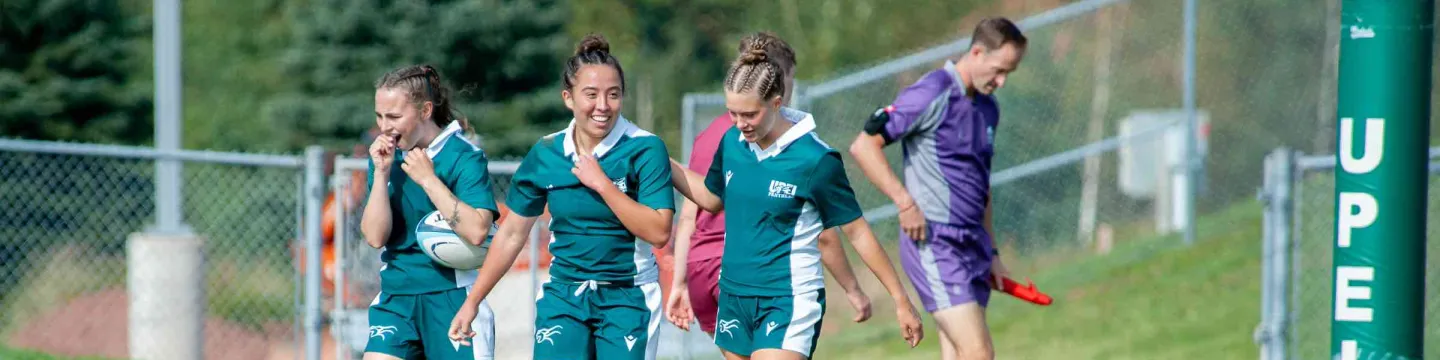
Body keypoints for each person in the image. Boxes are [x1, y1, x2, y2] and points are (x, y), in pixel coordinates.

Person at [667, 35, 924, 360]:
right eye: (732, 113)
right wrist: (662, 158)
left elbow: (856, 232)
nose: (739, 124)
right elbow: (709, 197)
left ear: (776, 102)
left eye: (749, 114)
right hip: (734, 297)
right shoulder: (732, 142)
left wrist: (900, 300)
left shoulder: (815, 159)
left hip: (787, 299)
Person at [449, 34, 674, 360]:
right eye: (591, 94)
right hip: (565, 297)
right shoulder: (546, 153)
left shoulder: (645, 148)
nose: (603, 106)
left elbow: (658, 231)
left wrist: (602, 184)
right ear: (568, 98)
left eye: (613, 95)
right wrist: (472, 302)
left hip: (629, 298)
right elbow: (512, 235)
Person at [846, 17, 1027, 360]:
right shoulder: (932, 92)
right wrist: (905, 202)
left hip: (972, 244)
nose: (1002, 81)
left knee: (958, 354)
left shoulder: (988, 108)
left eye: (1009, 73)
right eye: (999, 70)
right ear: (976, 52)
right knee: (978, 352)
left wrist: (993, 254)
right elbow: (863, 146)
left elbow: (981, 184)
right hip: (935, 243)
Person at [359, 64, 499, 360]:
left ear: (424, 111)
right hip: (397, 298)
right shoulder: (383, 157)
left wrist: (428, 180)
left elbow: (477, 231)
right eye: (379, 115)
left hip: (453, 299)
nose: (384, 126)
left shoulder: (464, 156)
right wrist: (382, 176)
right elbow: (374, 236)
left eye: (394, 116)